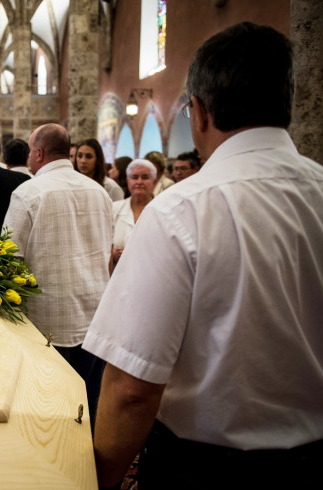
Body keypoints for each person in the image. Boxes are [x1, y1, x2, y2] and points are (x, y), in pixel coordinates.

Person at [84, 22, 323, 489]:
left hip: (210, 468)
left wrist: (102, 481)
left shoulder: (180, 210)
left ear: (198, 112)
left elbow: (133, 388)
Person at [3, 123, 112, 425]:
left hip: (47, 317)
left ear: (38, 153)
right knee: (89, 405)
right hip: (94, 314)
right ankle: (89, 464)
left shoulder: (28, 193)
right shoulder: (99, 191)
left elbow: (9, 257)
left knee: (49, 408)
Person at [109, 159, 156, 270]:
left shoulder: (163, 211)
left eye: (145, 177)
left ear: (154, 182)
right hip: (118, 275)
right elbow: (103, 245)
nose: (139, 182)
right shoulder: (114, 208)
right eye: (134, 177)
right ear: (128, 180)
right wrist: (113, 253)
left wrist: (135, 253)